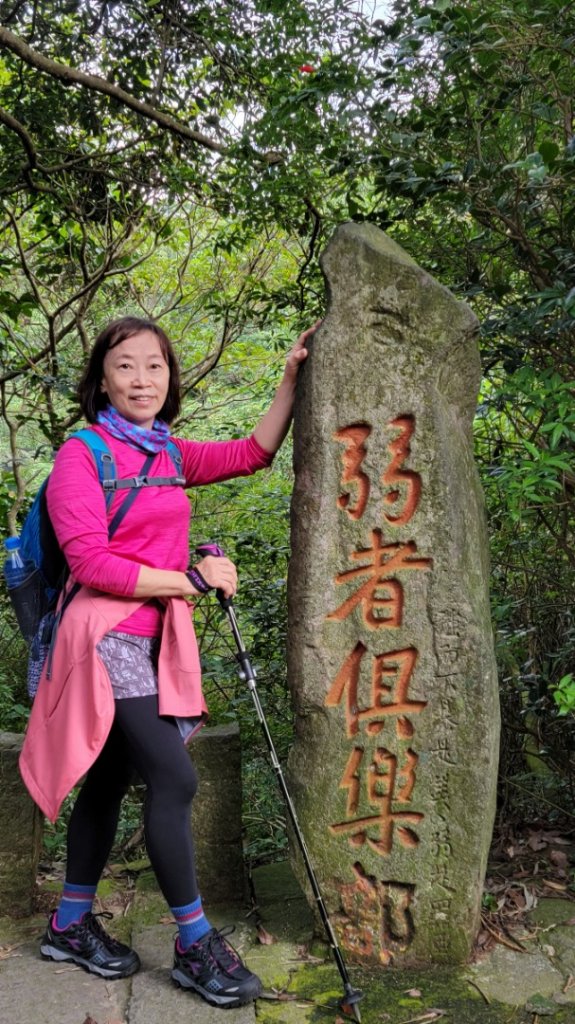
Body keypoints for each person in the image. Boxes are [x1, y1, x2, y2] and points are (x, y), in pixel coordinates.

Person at [19, 314, 318, 1010]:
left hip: (153, 635)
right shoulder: (82, 455)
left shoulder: (165, 453)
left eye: (154, 365)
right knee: (174, 779)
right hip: (101, 635)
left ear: (169, 377)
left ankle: (67, 924)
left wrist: (289, 382)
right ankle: (192, 942)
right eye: (126, 366)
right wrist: (193, 577)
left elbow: (251, 453)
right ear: (101, 379)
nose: (142, 379)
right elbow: (93, 562)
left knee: (109, 779)